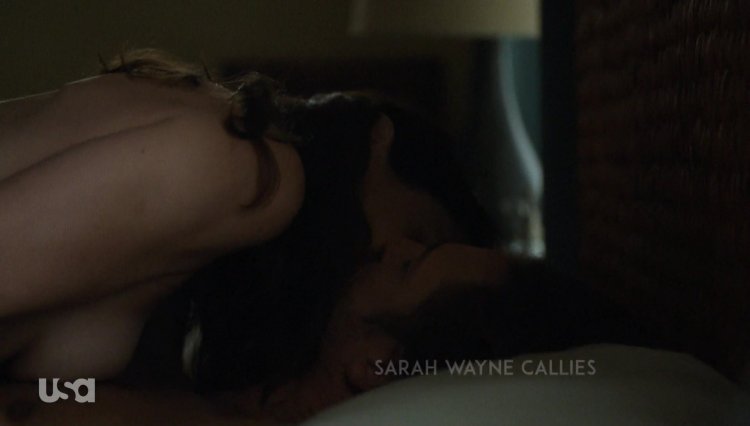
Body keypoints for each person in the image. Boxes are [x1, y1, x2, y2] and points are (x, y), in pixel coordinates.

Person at [0, 48, 492, 385]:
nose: (397, 253)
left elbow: (47, 395)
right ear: (380, 139)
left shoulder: (195, 257)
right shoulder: (247, 172)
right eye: (420, 236)